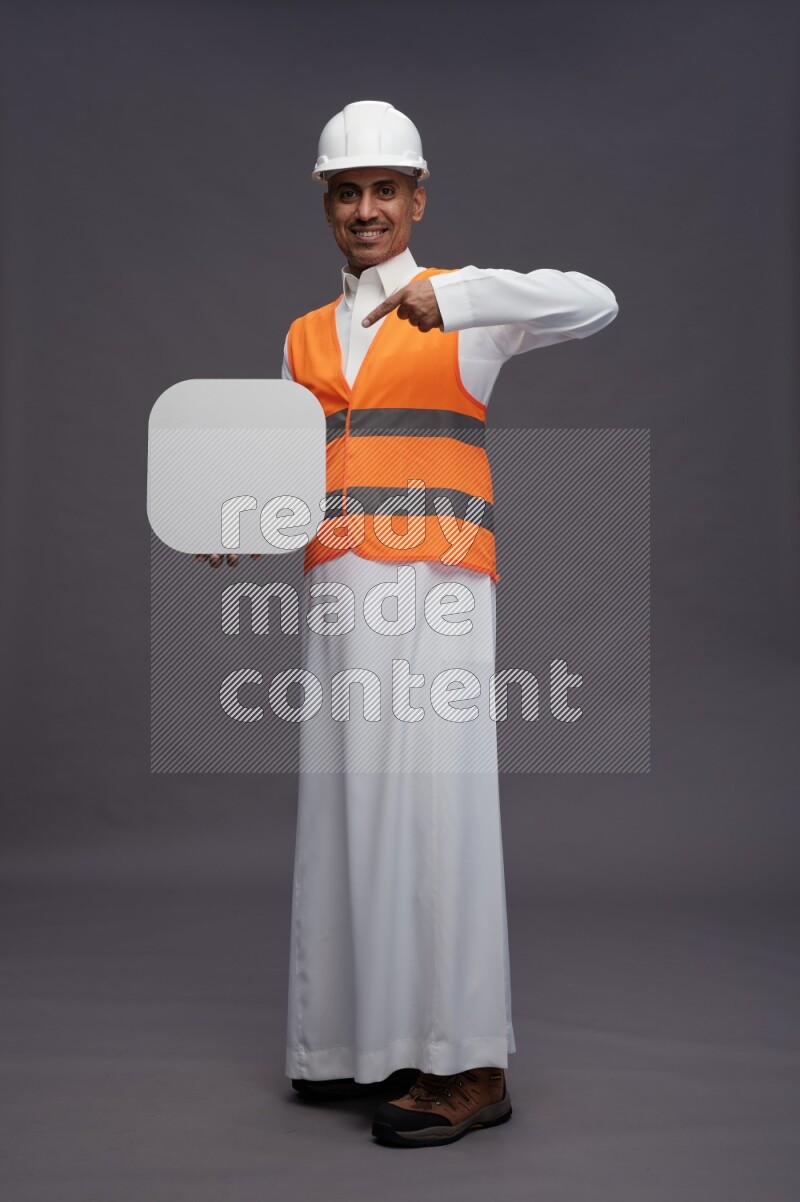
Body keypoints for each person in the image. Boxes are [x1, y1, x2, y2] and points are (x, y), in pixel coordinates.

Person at [202, 99, 618, 1148]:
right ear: (327, 206)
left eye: (385, 189)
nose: (366, 208)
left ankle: (470, 1063)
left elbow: (596, 303)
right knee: (344, 815)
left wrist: (461, 293)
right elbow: (304, 476)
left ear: (416, 199)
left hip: (434, 592)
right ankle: (347, 1045)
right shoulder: (303, 335)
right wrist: (237, 521)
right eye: (348, 191)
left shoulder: (462, 305)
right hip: (339, 596)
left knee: (437, 818)